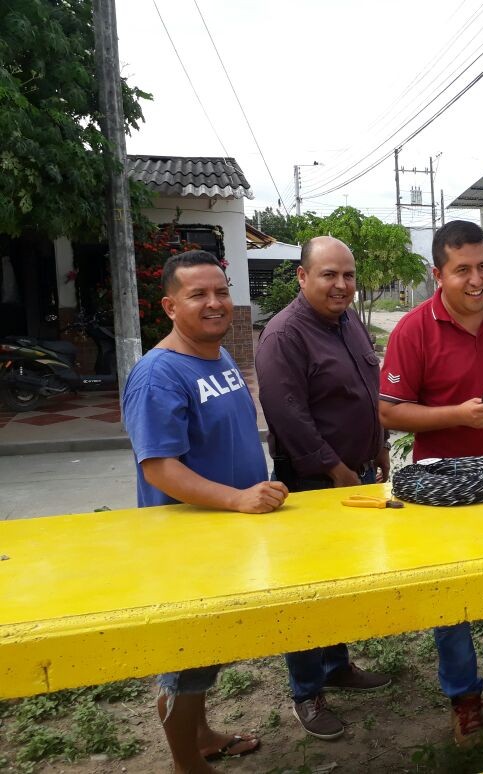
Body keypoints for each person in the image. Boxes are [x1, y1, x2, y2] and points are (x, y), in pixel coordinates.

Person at [378, 221, 483, 747]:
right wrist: (455, 415)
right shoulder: (413, 329)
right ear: (438, 274)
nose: (477, 280)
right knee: (450, 596)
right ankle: (464, 696)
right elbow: (388, 412)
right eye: (463, 270)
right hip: (440, 492)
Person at [122, 250, 289, 773]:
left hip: (225, 538)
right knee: (184, 663)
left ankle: (203, 736)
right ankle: (185, 765)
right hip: (184, 546)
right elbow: (160, 468)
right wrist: (238, 498)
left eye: (221, 292)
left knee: (206, 650)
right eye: (199, 295)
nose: (215, 304)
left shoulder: (215, 359)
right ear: (171, 305)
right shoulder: (159, 374)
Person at [255, 236, 392, 740]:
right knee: (306, 590)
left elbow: (369, 392)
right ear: (302, 276)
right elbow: (289, 417)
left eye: (348, 276)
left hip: (355, 473)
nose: (341, 285)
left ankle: (336, 665)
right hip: (312, 483)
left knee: (341, 581)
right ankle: (307, 691)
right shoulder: (284, 336)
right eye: (329, 275)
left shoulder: (349, 322)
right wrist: (335, 471)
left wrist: (379, 446)